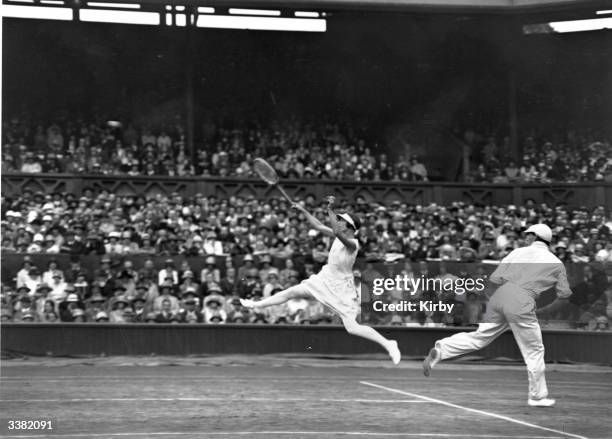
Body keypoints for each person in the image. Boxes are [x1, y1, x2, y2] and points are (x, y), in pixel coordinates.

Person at [422, 224, 572, 407]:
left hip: (501, 296)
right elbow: (564, 297)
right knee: (534, 351)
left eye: (528, 235)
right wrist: (541, 311)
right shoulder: (556, 262)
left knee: (479, 337)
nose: (525, 238)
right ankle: (537, 397)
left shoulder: (517, 253)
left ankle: (441, 350)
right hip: (522, 300)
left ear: (536, 237)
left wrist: (496, 300)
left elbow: (493, 281)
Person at [241, 196, 401, 364]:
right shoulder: (338, 234)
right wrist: (303, 210)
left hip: (341, 288)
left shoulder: (353, 243)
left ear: (349, 227)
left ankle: (389, 344)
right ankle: (255, 304)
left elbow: (337, 232)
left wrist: (330, 209)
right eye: (337, 220)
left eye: (341, 221)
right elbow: (317, 225)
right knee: (292, 292)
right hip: (324, 279)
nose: (338, 223)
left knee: (352, 328)